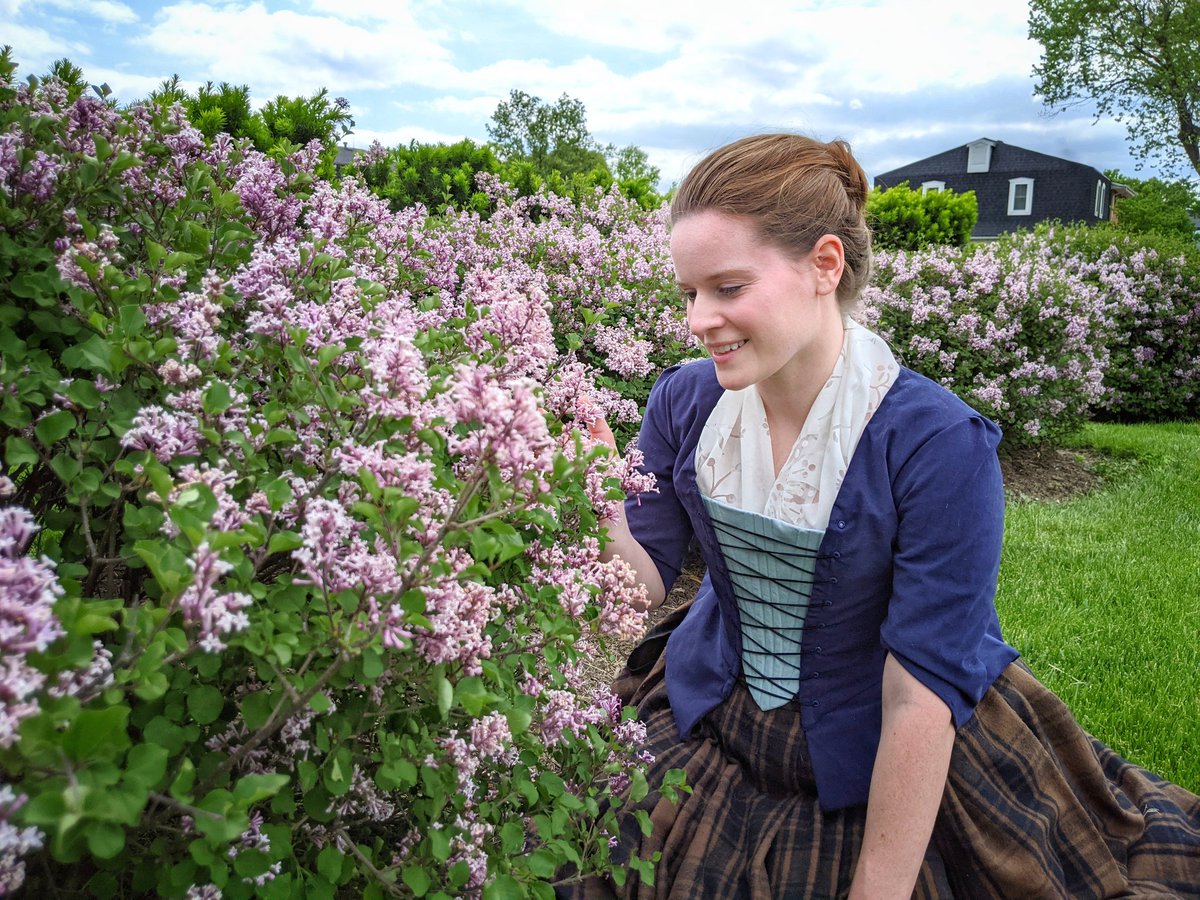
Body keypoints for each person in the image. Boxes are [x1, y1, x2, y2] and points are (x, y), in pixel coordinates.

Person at [566, 133, 1200, 898]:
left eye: (727, 288)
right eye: (688, 293)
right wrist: (601, 504)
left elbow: (914, 696)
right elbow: (640, 588)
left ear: (825, 265)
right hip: (714, 703)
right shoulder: (684, 400)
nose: (699, 319)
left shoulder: (935, 443)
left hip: (893, 738)